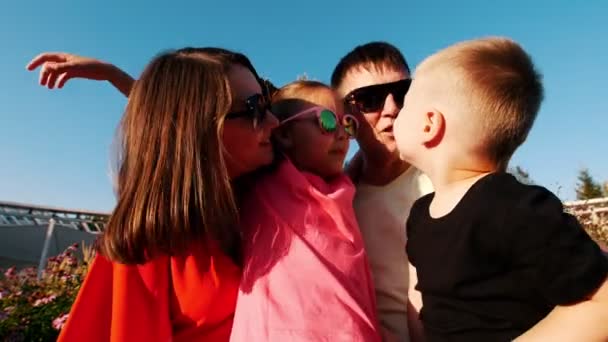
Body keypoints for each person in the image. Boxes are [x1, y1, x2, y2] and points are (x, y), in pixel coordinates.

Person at [28, 47, 279, 341]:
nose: (274, 122)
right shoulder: (150, 244)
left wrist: (113, 75)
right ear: (200, 129)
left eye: (268, 104)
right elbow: (170, 119)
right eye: (255, 108)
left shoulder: (270, 189)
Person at [394, 36, 608, 341]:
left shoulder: (514, 206)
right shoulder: (420, 215)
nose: (394, 113)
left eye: (405, 103)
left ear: (429, 124)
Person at [230, 80, 381, 341]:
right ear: (284, 134)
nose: (342, 134)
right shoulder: (263, 183)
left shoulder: (346, 186)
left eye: (347, 124)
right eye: (326, 121)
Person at [331, 42, 432, 341]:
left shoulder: (451, 180)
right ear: (345, 118)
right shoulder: (332, 203)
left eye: (403, 93)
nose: (393, 108)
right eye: (370, 99)